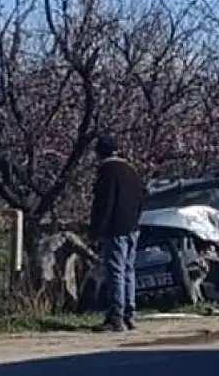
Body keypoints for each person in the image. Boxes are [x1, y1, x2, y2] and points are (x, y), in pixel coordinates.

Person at [87, 133, 143, 332]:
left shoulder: (108, 171)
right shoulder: (132, 170)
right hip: (133, 227)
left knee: (115, 271)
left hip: (116, 227)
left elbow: (104, 204)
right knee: (129, 270)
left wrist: (96, 231)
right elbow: (141, 199)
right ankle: (130, 314)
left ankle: (115, 316)